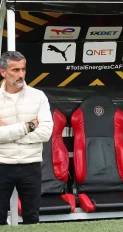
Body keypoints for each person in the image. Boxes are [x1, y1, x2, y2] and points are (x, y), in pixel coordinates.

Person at [0, 51, 53, 224]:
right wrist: (28, 126)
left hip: (31, 165)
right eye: (15, 70)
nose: (20, 75)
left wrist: (8, 133)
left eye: (23, 69)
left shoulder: (38, 97)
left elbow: (45, 133)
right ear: (3, 72)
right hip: (2, 165)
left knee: (32, 218)